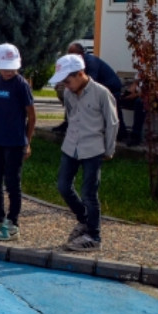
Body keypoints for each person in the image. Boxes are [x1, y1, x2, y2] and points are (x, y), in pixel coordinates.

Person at [50, 53, 119, 251]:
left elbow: (112, 123)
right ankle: (84, 220)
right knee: (63, 186)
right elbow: (71, 115)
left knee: (89, 193)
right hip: (71, 146)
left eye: (68, 80)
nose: (66, 85)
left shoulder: (101, 93)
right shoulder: (69, 93)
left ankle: (94, 236)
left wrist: (109, 149)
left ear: (80, 74)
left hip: (93, 148)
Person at [0, 43, 36, 242]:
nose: (9, 71)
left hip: (15, 142)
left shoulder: (21, 85)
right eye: (4, 67)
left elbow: (31, 115)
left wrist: (27, 141)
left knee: (12, 183)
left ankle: (13, 221)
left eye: (12, 67)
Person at [53, 42, 123, 134]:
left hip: (111, 87)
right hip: (101, 86)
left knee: (76, 94)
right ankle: (68, 123)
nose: (69, 57)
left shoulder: (91, 62)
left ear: (80, 54)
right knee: (70, 94)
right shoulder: (76, 64)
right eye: (68, 54)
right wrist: (61, 82)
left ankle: (119, 131)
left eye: (71, 54)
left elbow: (90, 83)